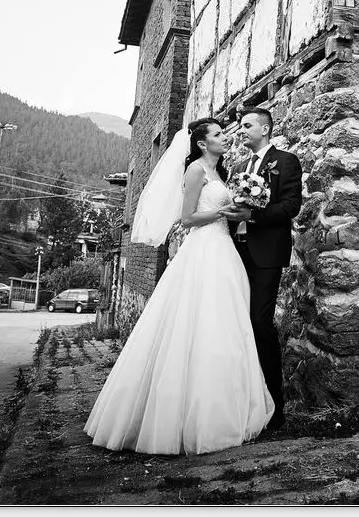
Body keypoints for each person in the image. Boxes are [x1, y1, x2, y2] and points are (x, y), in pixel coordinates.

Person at [84, 118, 274, 455]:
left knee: (223, 325)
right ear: (202, 143)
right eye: (217, 134)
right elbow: (187, 219)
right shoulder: (196, 170)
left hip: (224, 250)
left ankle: (222, 404)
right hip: (204, 249)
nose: (225, 137)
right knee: (195, 320)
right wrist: (224, 212)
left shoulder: (222, 172)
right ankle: (183, 414)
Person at [220, 107, 303, 432]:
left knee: (259, 323)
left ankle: (274, 406)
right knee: (236, 324)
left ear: (265, 129)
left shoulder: (285, 161)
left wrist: (252, 216)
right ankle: (243, 401)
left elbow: (290, 206)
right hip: (236, 253)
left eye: (247, 125)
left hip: (266, 254)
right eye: (240, 126)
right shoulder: (239, 167)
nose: (241, 131)